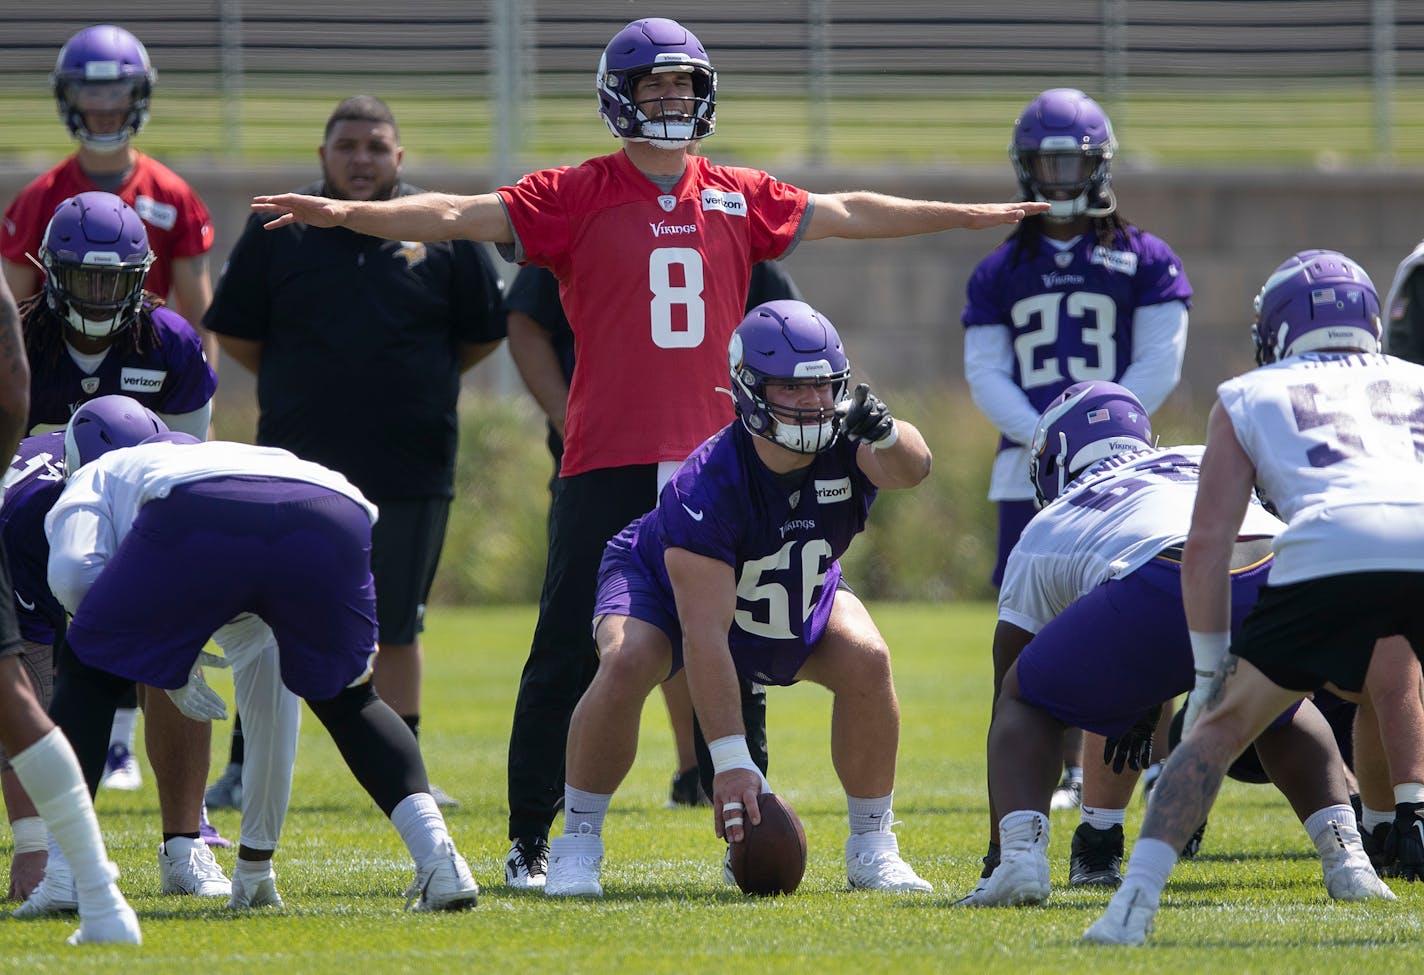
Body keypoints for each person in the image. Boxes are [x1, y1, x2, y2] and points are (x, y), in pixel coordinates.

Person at [250, 17, 1047, 890]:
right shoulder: (575, 192)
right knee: (570, 648)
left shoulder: (737, 193)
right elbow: (451, 212)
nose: (668, 101)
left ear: (702, 96)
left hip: (731, 457)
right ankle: (532, 840)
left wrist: (963, 213)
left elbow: (850, 210)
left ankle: (754, 824)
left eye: (680, 88)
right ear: (618, 99)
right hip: (611, 456)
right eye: (651, 89)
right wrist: (344, 213)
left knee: (738, 646)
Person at [1083, 249, 1424, 945]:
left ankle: (1132, 906)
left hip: (1329, 546)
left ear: (1277, 326)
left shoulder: (1249, 394)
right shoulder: (1418, 380)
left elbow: (1210, 541)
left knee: (1214, 732)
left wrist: (1210, 672)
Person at [543, 300, 933, 896]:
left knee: (867, 660)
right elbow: (705, 635)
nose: (811, 402)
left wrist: (888, 429)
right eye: (789, 388)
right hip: (667, 591)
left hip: (788, 583)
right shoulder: (708, 482)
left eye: (823, 386)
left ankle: (873, 847)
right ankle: (577, 844)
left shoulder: (848, 441)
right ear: (749, 389)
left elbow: (913, 469)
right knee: (630, 659)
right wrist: (728, 760)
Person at [957, 380, 1388, 908]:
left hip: (1162, 573)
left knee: (1023, 697)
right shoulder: (1194, 455)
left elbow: (1014, 679)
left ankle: (1019, 864)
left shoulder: (1048, 523)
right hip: (1279, 565)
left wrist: (999, 847)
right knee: (1278, 706)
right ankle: (1350, 861)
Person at [204, 94, 506, 811]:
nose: (361, 159)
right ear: (322, 156)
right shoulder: (279, 226)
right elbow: (241, 333)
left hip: (412, 461)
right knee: (271, 616)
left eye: (376, 147)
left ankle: (409, 776)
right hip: (296, 464)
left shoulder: (442, 229)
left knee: (398, 623)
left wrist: (407, 386)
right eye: (348, 146)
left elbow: (480, 335)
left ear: (399, 158)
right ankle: (245, 766)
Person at [43, 430, 481, 913]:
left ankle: (65, 875)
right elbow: (271, 714)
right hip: (333, 507)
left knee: (87, 669)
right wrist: (254, 866)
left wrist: (160, 658)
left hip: (201, 512)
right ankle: (443, 863)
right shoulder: (211, 456)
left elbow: (74, 578)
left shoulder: (97, 474)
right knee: (351, 700)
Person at [962, 87, 1192, 814]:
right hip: (1027, 462)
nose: (1058, 179)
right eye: (1045, 163)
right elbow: (985, 370)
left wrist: (1100, 432)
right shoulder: (998, 270)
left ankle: (1149, 762)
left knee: (1135, 602)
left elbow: (1159, 362)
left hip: (1121, 462)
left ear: (1099, 166)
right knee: (1034, 617)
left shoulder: (1145, 257)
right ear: (1024, 167)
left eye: (1072, 163)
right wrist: (1046, 434)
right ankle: (1059, 763)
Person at [505, 260, 801, 808]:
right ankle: (544, 836)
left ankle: (731, 806)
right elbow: (523, 318)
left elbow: (786, 329)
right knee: (585, 645)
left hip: (717, 470)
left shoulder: (731, 208)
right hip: (606, 463)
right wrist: (568, 420)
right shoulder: (588, 201)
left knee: (729, 636)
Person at [0, 259, 139, 945]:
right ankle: (44, 853)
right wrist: (34, 842)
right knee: (21, 691)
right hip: (11, 540)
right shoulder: (34, 515)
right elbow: (24, 679)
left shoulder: (138, 467)